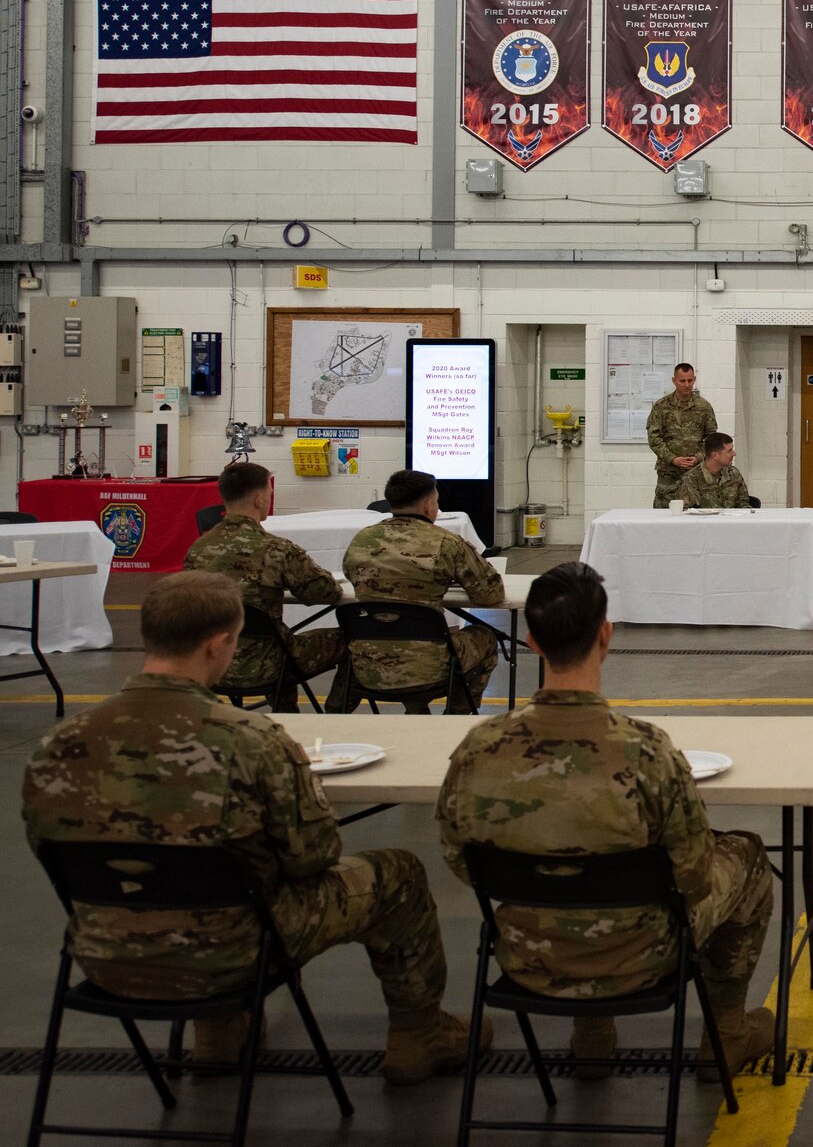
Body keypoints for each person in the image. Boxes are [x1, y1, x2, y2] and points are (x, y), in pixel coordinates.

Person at [21, 571, 484, 1083]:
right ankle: (419, 1035)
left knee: (200, 881)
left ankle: (220, 1036)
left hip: (105, 953)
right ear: (219, 645)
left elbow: (49, 848)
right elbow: (314, 855)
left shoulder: (59, 745)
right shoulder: (251, 741)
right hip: (233, 951)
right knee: (397, 873)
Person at [435, 563, 775, 1082]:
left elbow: (461, 861)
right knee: (746, 856)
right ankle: (725, 1034)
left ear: (531, 643)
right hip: (643, 955)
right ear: (606, 635)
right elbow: (694, 875)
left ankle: (593, 1035)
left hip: (528, 955)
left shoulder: (480, 749)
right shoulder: (645, 751)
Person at [181, 460, 343, 712]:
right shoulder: (276, 550)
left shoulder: (198, 550)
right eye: (268, 493)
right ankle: (333, 715)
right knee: (347, 639)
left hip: (212, 662)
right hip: (268, 663)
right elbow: (324, 593)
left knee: (277, 640)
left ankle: (286, 710)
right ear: (259, 499)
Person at [341, 469, 505, 714]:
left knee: (401, 627)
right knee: (486, 637)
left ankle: (416, 711)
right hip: (431, 667)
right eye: (437, 501)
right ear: (429, 505)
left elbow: (351, 576)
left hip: (368, 665)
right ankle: (456, 714)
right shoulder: (446, 543)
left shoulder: (362, 540)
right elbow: (489, 595)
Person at [647, 362, 718, 509]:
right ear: (674, 380)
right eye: (682, 381)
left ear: (694, 379)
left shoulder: (704, 407)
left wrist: (698, 457)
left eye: (690, 380)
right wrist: (673, 459)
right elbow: (654, 438)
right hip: (669, 474)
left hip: (697, 471)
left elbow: (711, 439)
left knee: (698, 515)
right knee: (664, 515)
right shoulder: (661, 406)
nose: (686, 385)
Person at [677, 431, 751, 509]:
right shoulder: (692, 478)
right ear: (715, 455)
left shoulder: (733, 473)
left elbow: (743, 505)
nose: (734, 453)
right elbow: (688, 512)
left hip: (731, 520)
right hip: (704, 520)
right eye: (729, 451)